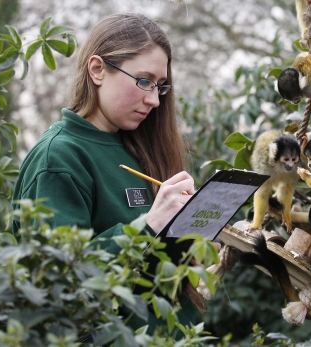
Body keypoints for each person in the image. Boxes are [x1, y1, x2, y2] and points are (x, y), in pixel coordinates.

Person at [12, 12, 206, 337]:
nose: (154, 99)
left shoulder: (138, 145)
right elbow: (59, 288)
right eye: (143, 81)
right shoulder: (58, 158)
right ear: (98, 69)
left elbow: (151, 270)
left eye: (160, 86)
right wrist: (150, 224)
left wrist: (192, 237)